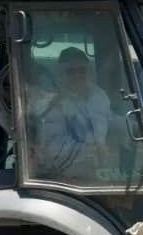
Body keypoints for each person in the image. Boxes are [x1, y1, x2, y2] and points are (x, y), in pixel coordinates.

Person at [34, 47, 111, 180]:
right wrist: (87, 149)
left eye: (81, 70)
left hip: (99, 171)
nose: (77, 76)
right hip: (63, 176)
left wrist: (130, 127)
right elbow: (51, 145)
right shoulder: (51, 104)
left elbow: (108, 118)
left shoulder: (98, 95)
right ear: (61, 75)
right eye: (71, 72)